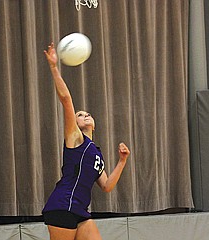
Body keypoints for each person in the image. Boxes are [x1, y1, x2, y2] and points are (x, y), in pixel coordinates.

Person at [42, 42, 130, 240]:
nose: (85, 115)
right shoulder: (75, 138)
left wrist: (122, 161)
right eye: (80, 115)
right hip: (63, 205)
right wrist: (54, 68)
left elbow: (107, 186)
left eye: (87, 113)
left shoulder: (96, 153)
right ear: (76, 123)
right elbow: (66, 99)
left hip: (80, 209)